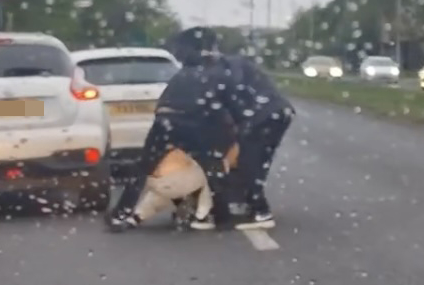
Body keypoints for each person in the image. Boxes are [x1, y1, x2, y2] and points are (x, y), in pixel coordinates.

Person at [107, 28, 236, 233]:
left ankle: (120, 213)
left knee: (143, 166)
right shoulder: (212, 72)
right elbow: (218, 108)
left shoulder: (183, 72)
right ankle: (222, 216)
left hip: (165, 119)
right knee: (211, 164)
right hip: (193, 119)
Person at [203, 41, 295, 230]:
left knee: (249, 160)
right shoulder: (235, 63)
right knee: (259, 159)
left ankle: (261, 211)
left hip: (263, 116)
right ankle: (248, 201)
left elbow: (230, 100)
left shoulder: (224, 70)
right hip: (280, 112)